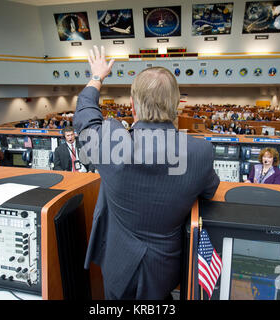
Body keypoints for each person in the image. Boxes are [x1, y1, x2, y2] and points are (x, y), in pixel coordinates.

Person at [76, 45, 220, 299]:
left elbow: (85, 113)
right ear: (176, 105)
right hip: (165, 267)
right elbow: (210, 192)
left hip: (117, 262)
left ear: (132, 105)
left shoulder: (111, 144)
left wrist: (97, 77)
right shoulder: (200, 152)